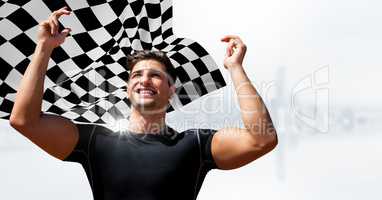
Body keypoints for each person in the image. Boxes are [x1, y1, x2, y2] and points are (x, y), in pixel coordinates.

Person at [9, 6, 278, 200]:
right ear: (127, 89)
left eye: (155, 76)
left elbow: (261, 140)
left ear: (171, 89)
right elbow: (24, 120)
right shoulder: (94, 142)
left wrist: (235, 68)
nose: (144, 80)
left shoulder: (196, 144)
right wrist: (43, 48)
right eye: (137, 75)